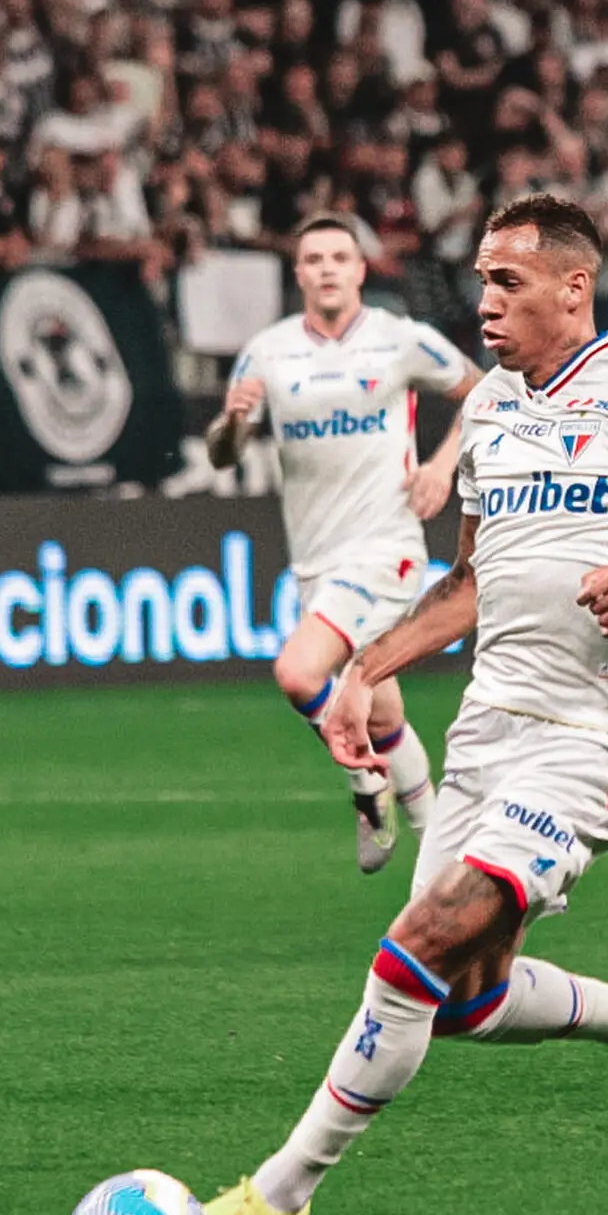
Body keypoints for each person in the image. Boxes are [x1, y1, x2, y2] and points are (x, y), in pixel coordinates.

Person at [199, 194, 608, 1215]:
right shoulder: (488, 415)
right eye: (479, 280)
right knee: (464, 1000)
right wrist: (360, 671)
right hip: (486, 726)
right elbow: (469, 583)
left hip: (590, 733)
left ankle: (274, 1194)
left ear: (573, 288)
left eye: (505, 282)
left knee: (417, 946)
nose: (482, 303)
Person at [204, 214, 483, 874]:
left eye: (339, 256)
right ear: (297, 273)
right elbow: (223, 453)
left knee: (299, 672)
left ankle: (366, 787)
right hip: (315, 558)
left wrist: (443, 467)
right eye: (313, 258)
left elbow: (485, 392)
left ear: (361, 269)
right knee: (381, 710)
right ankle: (446, 855)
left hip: (387, 547)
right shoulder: (268, 353)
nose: (327, 267)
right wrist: (233, 422)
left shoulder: (400, 340)